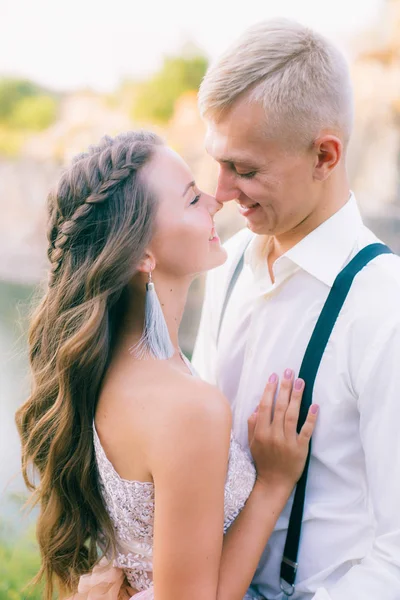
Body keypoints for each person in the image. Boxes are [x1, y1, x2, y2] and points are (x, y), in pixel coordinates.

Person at [15, 130, 318, 600]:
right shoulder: (185, 407)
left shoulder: (104, 369)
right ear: (142, 254)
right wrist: (272, 485)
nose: (216, 201)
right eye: (192, 198)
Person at [193, 17, 400, 600]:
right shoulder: (225, 263)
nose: (222, 191)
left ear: (325, 156)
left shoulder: (386, 309)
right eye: (219, 162)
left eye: (246, 169)